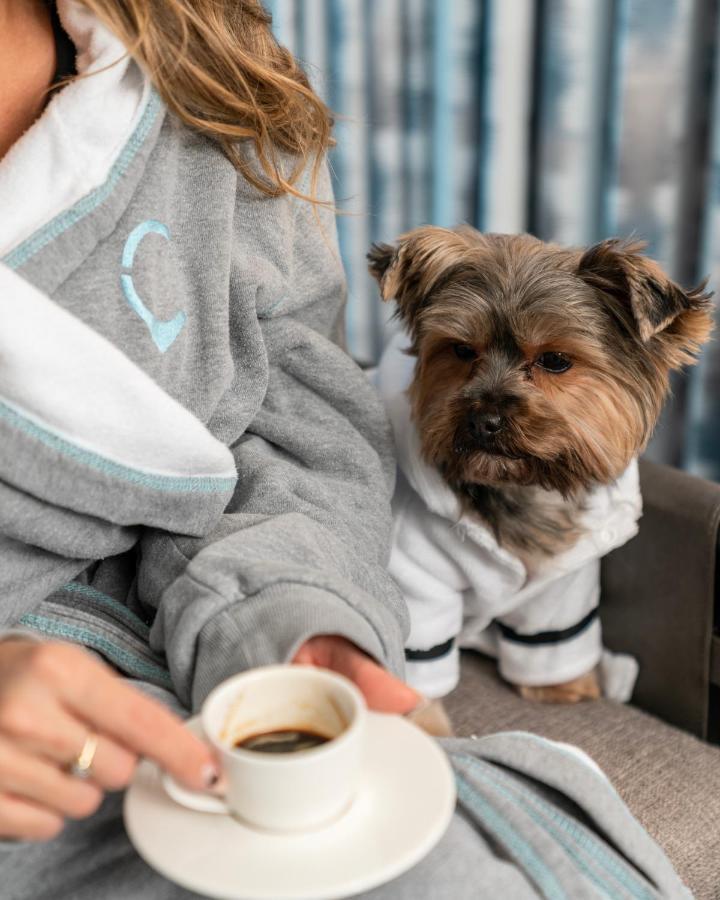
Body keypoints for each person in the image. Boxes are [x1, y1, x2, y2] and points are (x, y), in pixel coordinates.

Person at [0, 2, 692, 898]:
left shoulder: (215, 77)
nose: (495, 401)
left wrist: (299, 612)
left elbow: (285, 418)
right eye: (464, 357)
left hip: (208, 646)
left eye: (552, 366)